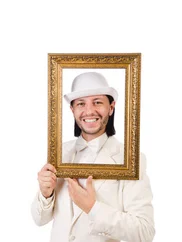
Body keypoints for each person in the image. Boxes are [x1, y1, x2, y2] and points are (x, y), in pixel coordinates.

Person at [31, 72, 155, 242]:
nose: (89, 111)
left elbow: (144, 232)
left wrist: (92, 208)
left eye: (97, 102)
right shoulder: (59, 153)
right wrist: (46, 194)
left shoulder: (130, 159)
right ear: (72, 109)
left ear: (111, 107)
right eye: (81, 103)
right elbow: (39, 219)